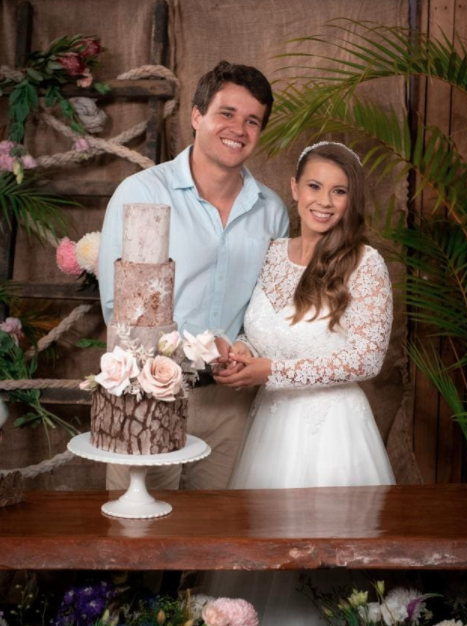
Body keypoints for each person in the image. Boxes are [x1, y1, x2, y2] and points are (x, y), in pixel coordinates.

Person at [200, 141, 395, 624]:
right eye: (314, 186)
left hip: (334, 432)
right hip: (269, 428)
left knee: (332, 561)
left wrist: (272, 373)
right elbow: (260, 331)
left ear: (353, 198)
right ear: (293, 188)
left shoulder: (365, 263)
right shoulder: (269, 254)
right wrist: (243, 352)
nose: (324, 201)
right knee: (263, 554)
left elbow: (367, 359)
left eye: (339, 191)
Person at [97, 60, 289, 491]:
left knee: (215, 539)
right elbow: (118, 308)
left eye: (252, 120)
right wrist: (191, 351)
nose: (239, 129)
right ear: (197, 115)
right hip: (148, 393)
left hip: (229, 404)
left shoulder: (273, 211)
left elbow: (272, 306)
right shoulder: (142, 193)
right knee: (139, 536)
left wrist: (245, 347)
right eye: (227, 113)